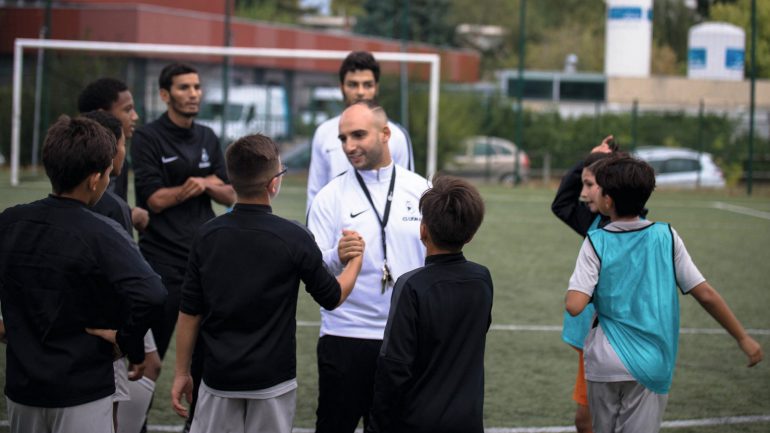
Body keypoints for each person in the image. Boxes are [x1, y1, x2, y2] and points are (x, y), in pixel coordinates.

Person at [171, 134, 364, 433]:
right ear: (274, 183)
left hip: (218, 377)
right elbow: (332, 296)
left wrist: (182, 372)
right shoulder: (294, 237)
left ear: (231, 181)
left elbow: (189, 311)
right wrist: (356, 261)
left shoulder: (206, 235)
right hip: (273, 380)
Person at [564, 155, 763, 433]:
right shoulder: (667, 236)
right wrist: (742, 338)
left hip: (604, 363)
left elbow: (574, 305)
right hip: (652, 361)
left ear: (607, 200)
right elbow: (704, 293)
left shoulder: (596, 241)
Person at [0, 115, 166, 433]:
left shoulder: (10, 221)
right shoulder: (102, 231)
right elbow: (152, 292)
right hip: (83, 389)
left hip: (23, 390)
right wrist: (126, 339)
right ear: (94, 179)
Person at [307, 100, 429, 433]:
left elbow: (436, 265)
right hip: (343, 335)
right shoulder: (329, 197)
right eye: (343, 138)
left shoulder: (421, 191)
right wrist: (337, 255)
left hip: (404, 339)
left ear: (385, 134)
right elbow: (313, 267)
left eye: (358, 135)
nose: (349, 146)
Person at [367, 175, 493, 433]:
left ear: (423, 230)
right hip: (468, 420)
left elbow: (394, 366)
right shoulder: (482, 278)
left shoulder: (411, 285)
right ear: (470, 235)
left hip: (417, 421)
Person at [131, 62, 236, 360]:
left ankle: (199, 409)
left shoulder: (207, 136)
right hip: (161, 262)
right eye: (184, 87)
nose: (193, 94)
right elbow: (155, 200)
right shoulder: (147, 138)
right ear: (165, 95)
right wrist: (203, 185)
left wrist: (201, 183)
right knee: (147, 360)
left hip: (204, 262)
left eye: (197, 87)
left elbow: (230, 194)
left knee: (206, 359)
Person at [81, 110, 162, 433]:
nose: (135, 116)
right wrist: (129, 337)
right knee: (110, 402)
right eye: (127, 108)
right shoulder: (110, 206)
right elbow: (138, 287)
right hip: (110, 318)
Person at [550, 135, 618, 433]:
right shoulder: (592, 222)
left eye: (590, 185)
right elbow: (561, 203)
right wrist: (587, 161)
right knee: (588, 419)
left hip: (615, 338)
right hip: (591, 341)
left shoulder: (627, 228)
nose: (583, 192)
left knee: (592, 419)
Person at [306, 51, 414, 213]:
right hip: (336, 231)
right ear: (342, 87)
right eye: (353, 84)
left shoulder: (396, 135)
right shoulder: (324, 133)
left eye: (367, 85)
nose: (361, 92)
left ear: (376, 88)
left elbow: (406, 192)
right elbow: (315, 192)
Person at [78, 77, 149, 232]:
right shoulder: (83, 158)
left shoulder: (119, 157)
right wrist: (130, 215)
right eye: (127, 109)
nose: (135, 116)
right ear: (103, 114)